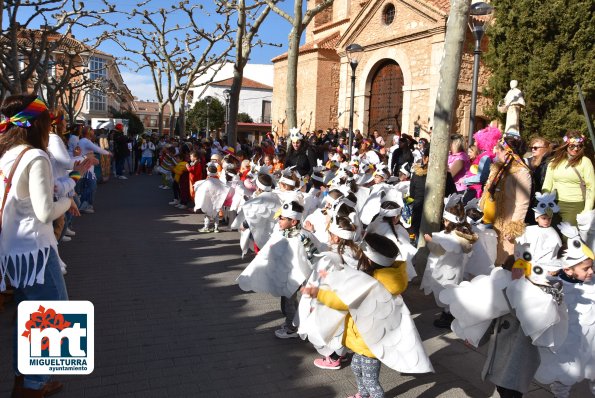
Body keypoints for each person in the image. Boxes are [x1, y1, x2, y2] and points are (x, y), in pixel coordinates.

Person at [0, 94, 73, 398]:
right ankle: (32, 386)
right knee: (51, 315)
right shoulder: (35, 156)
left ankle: (25, 380)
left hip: (11, 251)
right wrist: (68, 201)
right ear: (38, 124)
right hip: (36, 252)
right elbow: (45, 213)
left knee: (26, 316)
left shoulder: (5, 154)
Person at [480, 133, 532, 266]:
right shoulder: (497, 168)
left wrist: (513, 227)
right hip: (490, 220)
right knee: (487, 257)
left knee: (504, 259)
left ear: (510, 152)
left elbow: (522, 203)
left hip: (507, 223)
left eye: (500, 148)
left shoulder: (522, 173)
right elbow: (487, 189)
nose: (496, 151)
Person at [542, 131, 594, 226]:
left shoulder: (585, 162)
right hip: (553, 204)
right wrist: (544, 203)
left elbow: (591, 188)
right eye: (572, 146)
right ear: (565, 145)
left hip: (574, 205)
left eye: (579, 146)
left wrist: (587, 210)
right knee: (555, 236)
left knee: (569, 237)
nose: (576, 149)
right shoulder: (554, 162)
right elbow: (547, 185)